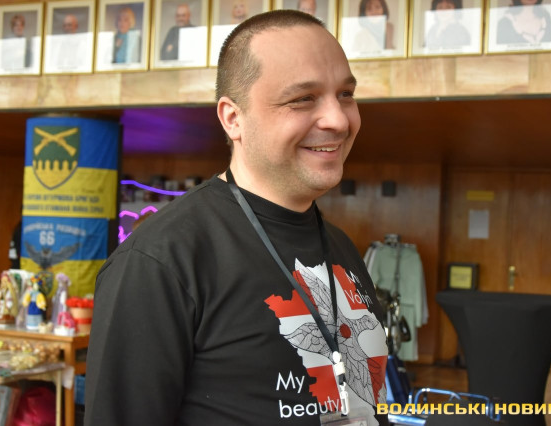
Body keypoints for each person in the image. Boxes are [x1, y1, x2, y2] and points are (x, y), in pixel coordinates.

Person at [85, 9, 388, 426]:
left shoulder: (340, 245)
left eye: (346, 94)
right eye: (303, 98)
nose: (338, 120)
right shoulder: (160, 261)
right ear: (233, 118)